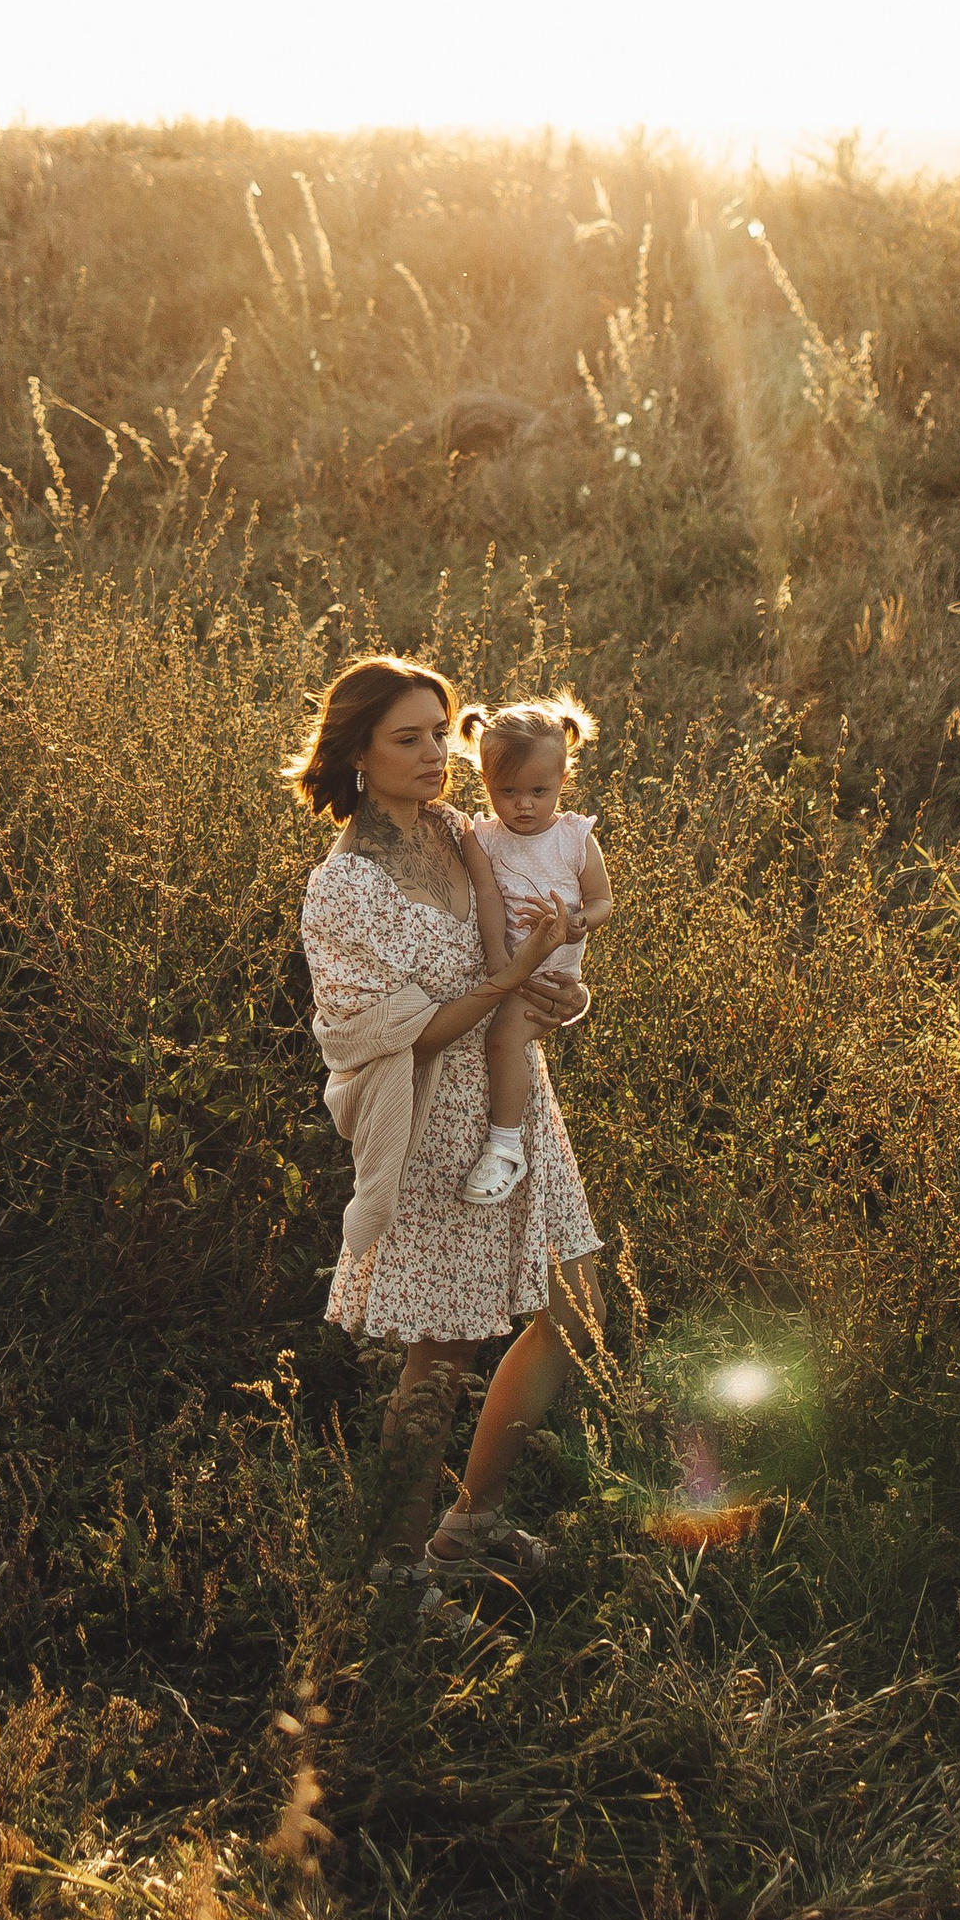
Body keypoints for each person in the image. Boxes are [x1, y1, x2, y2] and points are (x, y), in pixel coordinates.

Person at [290, 653, 601, 1607]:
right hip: (432, 1127)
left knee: (575, 1307)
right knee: (442, 1351)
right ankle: (392, 1573)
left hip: (514, 1101)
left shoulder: (466, 832)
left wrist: (559, 994)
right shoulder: (344, 890)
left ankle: (468, 1524)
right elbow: (400, 1031)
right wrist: (511, 982)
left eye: (440, 733)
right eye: (408, 739)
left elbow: (539, 951)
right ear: (357, 755)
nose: (434, 754)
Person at [452, 690, 614, 1209]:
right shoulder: (484, 837)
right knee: (494, 1038)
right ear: (486, 784)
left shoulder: (574, 837)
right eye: (509, 791)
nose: (524, 805)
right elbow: (488, 897)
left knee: (503, 1040)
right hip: (509, 970)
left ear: (563, 781)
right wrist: (499, 957)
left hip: (551, 979)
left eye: (539, 791)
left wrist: (575, 923)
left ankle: (505, 1145)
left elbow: (603, 901)